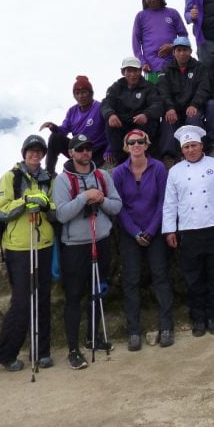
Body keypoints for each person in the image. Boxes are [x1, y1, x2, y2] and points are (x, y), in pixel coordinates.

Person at [51, 134, 123, 368]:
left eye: (88, 148)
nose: (85, 152)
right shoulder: (62, 181)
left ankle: (93, 338)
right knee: (73, 296)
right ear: (71, 153)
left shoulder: (102, 176)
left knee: (97, 291)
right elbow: (61, 214)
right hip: (75, 247)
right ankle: (73, 349)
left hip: (101, 240)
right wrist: (84, 197)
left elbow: (116, 206)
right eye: (80, 149)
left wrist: (100, 200)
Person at [161, 125, 214, 336]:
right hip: (189, 231)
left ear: (201, 145)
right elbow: (170, 203)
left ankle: (213, 317)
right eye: (186, 147)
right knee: (193, 279)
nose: (191, 150)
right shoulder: (175, 172)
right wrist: (170, 230)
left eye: (194, 145)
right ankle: (198, 319)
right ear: (182, 150)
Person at [0, 135, 57, 372]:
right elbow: (0, 211)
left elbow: (55, 211)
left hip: (43, 244)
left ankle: (42, 351)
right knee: (21, 301)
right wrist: (25, 201)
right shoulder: (11, 177)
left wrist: (47, 206)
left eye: (39, 151)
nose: (35, 154)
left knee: (43, 298)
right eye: (31, 150)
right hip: (19, 247)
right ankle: (5, 353)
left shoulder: (49, 179)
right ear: (24, 153)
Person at [112, 129, 174, 351]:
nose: (136, 145)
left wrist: (150, 230)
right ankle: (134, 331)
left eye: (140, 141)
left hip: (154, 230)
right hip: (130, 233)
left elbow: (163, 201)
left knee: (161, 277)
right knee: (131, 280)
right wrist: (135, 232)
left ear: (147, 145)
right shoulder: (118, 173)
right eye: (132, 142)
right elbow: (119, 206)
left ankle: (166, 327)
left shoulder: (158, 168)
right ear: (126, 146)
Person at [39, 75, 109, 173]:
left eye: (83, 92)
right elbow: (63, 130)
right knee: (55, 137)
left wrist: (110, 150)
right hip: (78, 149)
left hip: (97, 150)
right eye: (77, 93)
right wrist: (53, 127)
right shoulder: (72, 111)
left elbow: (111, 130)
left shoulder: (100, 107)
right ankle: (49, 173)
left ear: (91, 93)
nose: (80, 96)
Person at [101, 56, 164, 164]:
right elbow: (106, 103)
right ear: (123, 72)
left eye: (135, 70)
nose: (133, 74)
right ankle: (122, 160)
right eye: (129, 71)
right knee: (110, 124)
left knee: (152, 122)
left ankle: (147, 157)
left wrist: (146, 115)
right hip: (123, 124)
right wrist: (110, 114)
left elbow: (158, 105)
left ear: (140, 71)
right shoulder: (116, 87)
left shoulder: (149, 87)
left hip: (142, 124)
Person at [156, 36, 210, 159]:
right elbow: (163, 90)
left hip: (193, 107)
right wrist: (169, 108)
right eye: (179, 50)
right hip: (174, 108)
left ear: (190, 51)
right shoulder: (166, 68)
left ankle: (199, 152)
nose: (182, 53)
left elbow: (204, 88)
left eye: (185, 50)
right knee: (168, 120)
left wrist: (194, 104)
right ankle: (170, 156)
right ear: (173, 52)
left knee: (194, 119)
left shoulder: (200, 67)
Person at [132, 0, 188, 83]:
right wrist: (142, 62)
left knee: (175, 91)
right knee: (154, 92)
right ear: (144, 0)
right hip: (151, 68)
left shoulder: (172, 13)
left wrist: (173, 46)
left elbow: (184, 36)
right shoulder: (140, 16)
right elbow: (136, 42)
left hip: (173, 65)